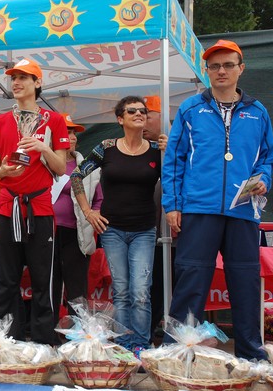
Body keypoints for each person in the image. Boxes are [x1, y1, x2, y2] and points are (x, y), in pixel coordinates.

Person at [162, 40, 273, 360]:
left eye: (228, 65)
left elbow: (267, 157)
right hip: (198, 208)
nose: (221, 71)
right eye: (214, 66)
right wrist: (172, 205)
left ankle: (251, 355)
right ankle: (178, 352)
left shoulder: (258, 112)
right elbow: (174, 159)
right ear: (206, 71)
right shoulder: (190, 109)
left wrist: (264, 180)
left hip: (242, 210)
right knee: (191, 279)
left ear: (241, 68)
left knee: (245, 282)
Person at [70, 96, 161, 356]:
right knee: (121, 291)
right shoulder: (106, 147)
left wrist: (172, 149)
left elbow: (180, 173)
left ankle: (141, 346)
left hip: (144, 229)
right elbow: (77, 175)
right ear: (120, 119)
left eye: (142, 111)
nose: (138, 114)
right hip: (112, 231)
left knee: (141, 291)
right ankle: (123, 345)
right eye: (131, 111)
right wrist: (88, 211)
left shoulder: (157, 150)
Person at [0, 58, 68, 345]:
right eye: (14, 78)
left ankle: (43, 343)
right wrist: (5, 171)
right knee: (6, 282)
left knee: (42, 281)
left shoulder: (55, 120)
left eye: (24, 77)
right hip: (6, 208)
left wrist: (43, 147)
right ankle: (8, 344)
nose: (17, 83)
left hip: (40, 209)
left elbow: (61, 167)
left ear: (38, 83)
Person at [51, 114, 101, 315]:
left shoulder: (87, 166)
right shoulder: (44, 164)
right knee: (49, 284)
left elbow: (99, 198)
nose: (71, 137)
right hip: (47, 231)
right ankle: (48, 334)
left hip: (77, 232)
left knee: (76, 286)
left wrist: (95, 215)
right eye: (66, 132)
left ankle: (76, 335)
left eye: (73, 132)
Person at [142, 95, 173, 343]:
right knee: (148, 289)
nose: (142, 122)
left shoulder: (181, 143)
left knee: (172, 287)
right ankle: (146, 336)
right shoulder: (143, 148)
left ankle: (176, 337)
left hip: (175, 235)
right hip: (147, 234)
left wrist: (171, 149)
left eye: (147, 116)